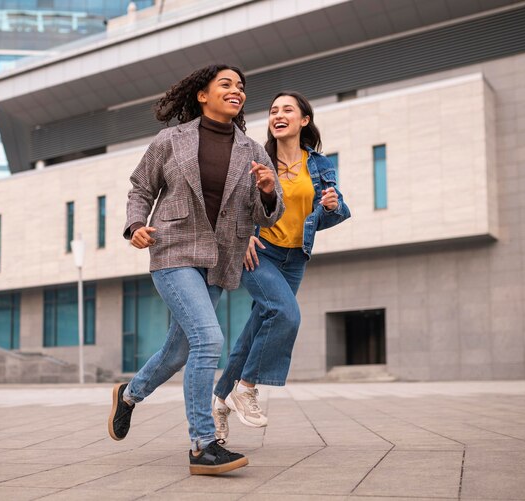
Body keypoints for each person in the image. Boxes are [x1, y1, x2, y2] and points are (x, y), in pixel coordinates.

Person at [107, 64, 284, 475]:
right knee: (208, 339)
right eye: (226, 84)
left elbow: (267, 217)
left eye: (241, 86)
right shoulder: (171, 140)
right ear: (202, 95)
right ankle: (202, 444)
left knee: (179, 351)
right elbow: (141, 188)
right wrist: (135, 226)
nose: (236, 90)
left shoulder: (253, 150)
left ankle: (129, 395)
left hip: (219, 259)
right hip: (172, 250)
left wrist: (269, 192)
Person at [212, 91, 351, 441]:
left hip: (295, 258)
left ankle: (218, 401)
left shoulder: (318, 165)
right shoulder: (255, 160)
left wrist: (331, 206)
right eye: (273, 110)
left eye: (287, 109)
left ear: (304, 120)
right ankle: (246, 387)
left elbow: (327, 215)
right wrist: (243, 238)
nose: (278, 114)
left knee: (256, 329)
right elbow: (232, 206)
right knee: (287, 315)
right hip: (260, 253)